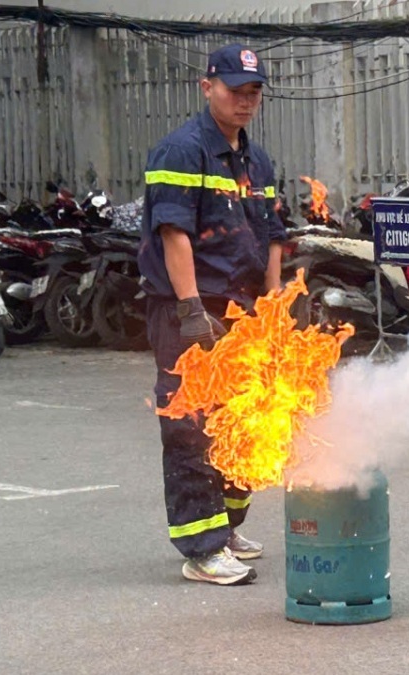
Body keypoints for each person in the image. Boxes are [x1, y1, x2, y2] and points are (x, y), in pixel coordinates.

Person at [137, 44, 287, 586]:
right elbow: (174, 234)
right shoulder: (181, 152)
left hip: (245, 310)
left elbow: (272, 236)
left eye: (253, 92)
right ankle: (202, 547)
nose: (245, 101)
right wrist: (191, 308)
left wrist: (273, 309)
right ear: (207, 87)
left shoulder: (258, 160)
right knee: (192, 426)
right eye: (233, 90)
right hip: (191, 310)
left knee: (249, 417)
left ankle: (227, 524)